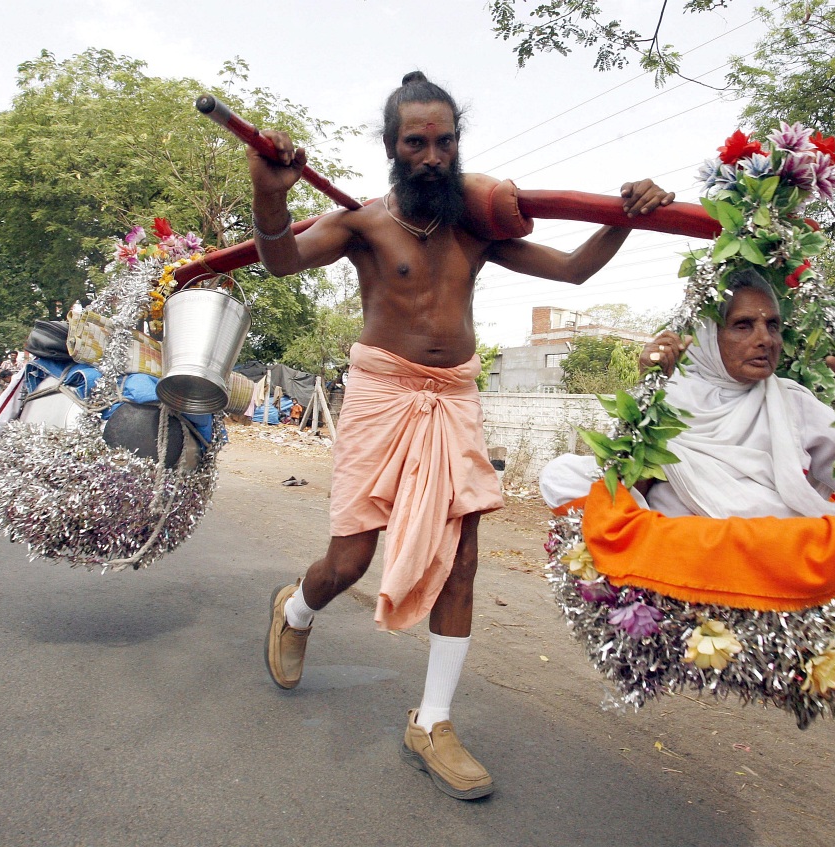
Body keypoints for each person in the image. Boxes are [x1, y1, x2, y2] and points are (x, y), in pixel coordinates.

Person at [250, 70, 674, 800]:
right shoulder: (363, 225)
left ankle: (433, 720)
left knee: (462, 558)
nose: (433, 156)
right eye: (416, 142)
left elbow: (572, 271)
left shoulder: (477, 229)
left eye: (445, 141)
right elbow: (281, 258)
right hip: (383, 398)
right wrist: (270, 192)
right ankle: (296, 607)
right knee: (350, 559)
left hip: (454, 401)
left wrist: (625, 216)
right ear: (391, 146)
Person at [540, 269, 835, 519]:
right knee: (565, 475)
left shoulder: (791, 401)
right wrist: (649, 393)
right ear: (708, 336)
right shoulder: (669, 398)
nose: (766, 339)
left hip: (782, 565)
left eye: (773, 325)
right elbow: (629, 490)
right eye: (743, 325)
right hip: (687, 569)